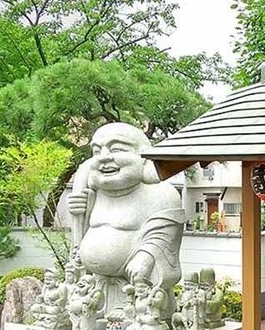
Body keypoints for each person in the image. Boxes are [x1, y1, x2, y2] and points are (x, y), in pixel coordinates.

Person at [67, 122, 184, 316]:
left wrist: (146, 257)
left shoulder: (160, 193)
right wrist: (80, 210)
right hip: (96, 289)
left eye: (117, 148)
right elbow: (83, 234)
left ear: (144, 156)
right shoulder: (95, 194)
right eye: (97, 151)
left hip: (139, 290)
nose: (104, 157)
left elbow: (165, 234)